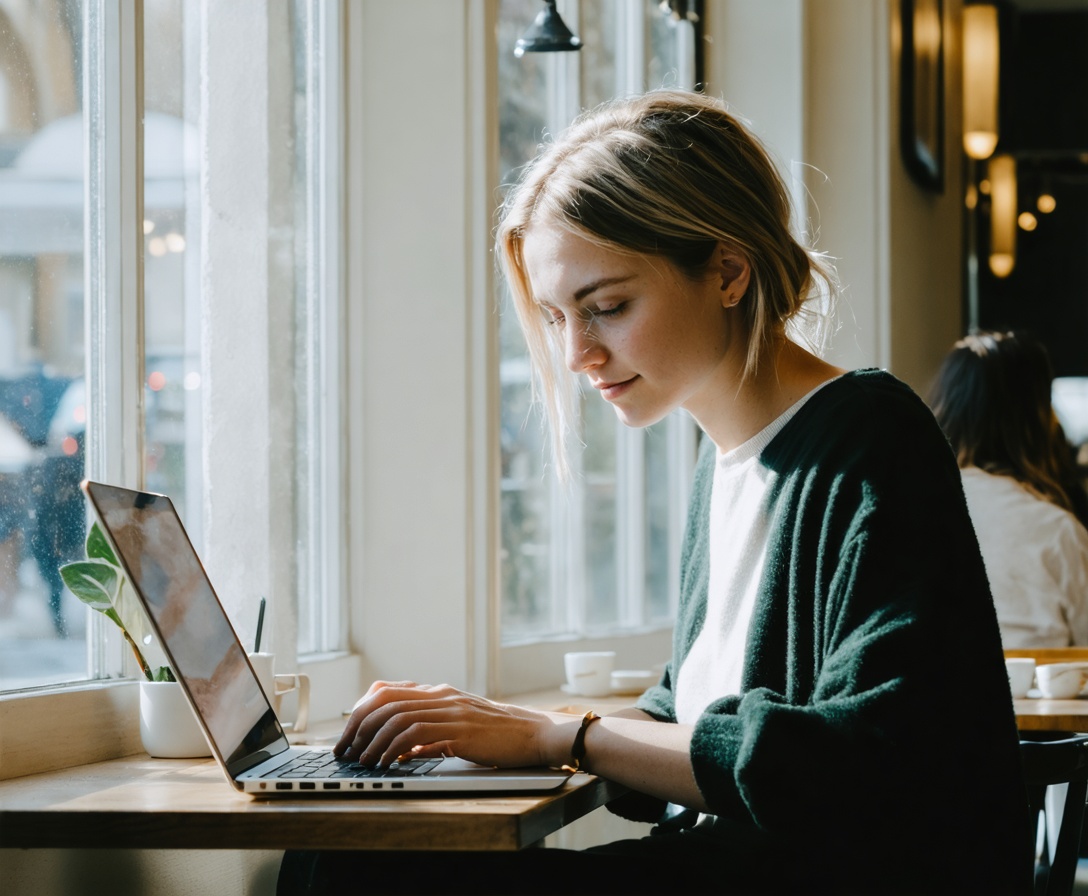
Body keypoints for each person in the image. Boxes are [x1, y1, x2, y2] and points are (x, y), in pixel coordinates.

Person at [279, 90, 1030, 895]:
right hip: (727, 867)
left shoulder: (869, 440)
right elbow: (688, 714)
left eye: (607, 307)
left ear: (729, 271)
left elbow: (862, 764)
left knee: (349, 874)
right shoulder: (725, 464)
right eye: (556, 317)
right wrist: (481, 728)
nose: (576, 353)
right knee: (346, 848)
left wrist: (555, 736)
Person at [928, 330, 1088, 648]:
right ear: (1038, 419)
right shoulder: (1057, 531)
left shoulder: (907, 512)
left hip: (929, 695)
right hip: (1035, 697)